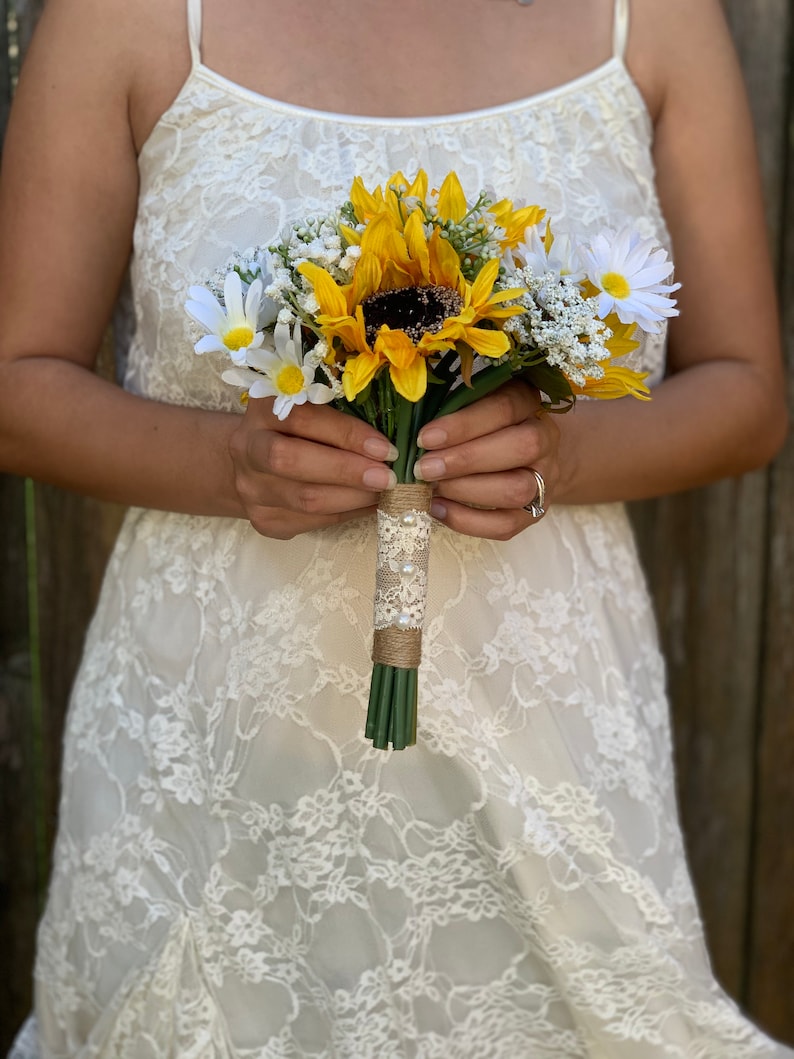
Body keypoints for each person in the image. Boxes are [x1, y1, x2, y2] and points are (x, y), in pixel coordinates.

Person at [1, 0, 790, 1054]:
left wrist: (558, 454)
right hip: (218, 750)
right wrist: (233, 464)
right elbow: (17, 385)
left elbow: (745, 392)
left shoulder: (650, 19)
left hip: (545, 743)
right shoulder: (126, 18)